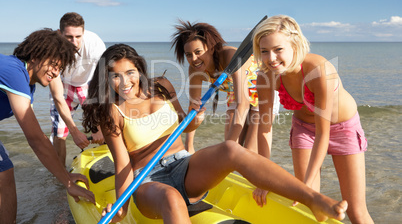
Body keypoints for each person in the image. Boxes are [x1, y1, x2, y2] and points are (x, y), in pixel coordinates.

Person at [82, 43, 347, 223]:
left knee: (231, 149)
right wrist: (122, 207)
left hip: (184, 165)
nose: (124, 82)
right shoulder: (112, 111)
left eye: (129, 72)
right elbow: (123, 163)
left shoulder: (161, 87)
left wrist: (194, 120)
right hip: (147, 180)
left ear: (138, 69)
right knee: (171, 198)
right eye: (114, 76)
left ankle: (313, 199)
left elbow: (182, 125)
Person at [252, 15, 373, 224]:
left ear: (295, 45)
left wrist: (306, 184)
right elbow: (264, 128)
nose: (271, 58)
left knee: (356, 210)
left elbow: (323, 133)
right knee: (308, 205)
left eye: (278, 49)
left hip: (342, 128)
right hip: (303, 129)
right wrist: (265, 178)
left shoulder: (319, 70)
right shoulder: (265, 76)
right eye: (264, 51)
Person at [0, 29, 95, 224]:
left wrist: (64, 173)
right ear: (35, 57)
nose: (55, 72)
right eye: (53, 64)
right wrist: (67, 181)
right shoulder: (13, 71)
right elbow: (35, 139)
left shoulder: (27, 84)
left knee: (4, 173)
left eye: (59, 68)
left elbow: (36, 132)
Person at [171, 20, 280, 154]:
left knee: (249, 151)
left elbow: (244, 104)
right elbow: (194, 107)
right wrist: (189, 146)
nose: (194, 59)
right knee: (233, 147)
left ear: (210, 48)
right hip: (235, 94)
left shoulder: (229, 57)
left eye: (198, 52)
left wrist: (227, 146)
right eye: (188, 54)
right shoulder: (195, 70)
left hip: (262, 90)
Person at [49, 12, 106, 166]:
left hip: (88, 85)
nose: (74, 42)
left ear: (84, 32)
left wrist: (97, 126)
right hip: (64, 85)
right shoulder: (51, 49)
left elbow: (102, 81)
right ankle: (59, 177)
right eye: (69, 37)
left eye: (78, 36)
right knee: (59, 133)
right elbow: (57, 96)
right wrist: (74, 132)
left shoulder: (95, 44)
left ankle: (108, 167)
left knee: (103, 130)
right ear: (60, 33)